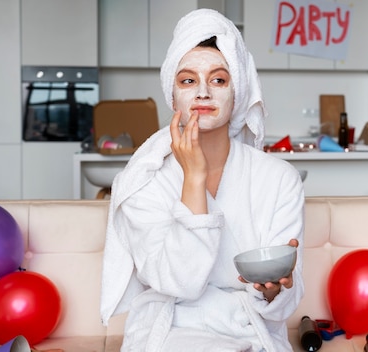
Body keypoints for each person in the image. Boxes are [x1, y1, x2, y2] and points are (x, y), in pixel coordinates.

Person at [99, 8, 305, 352]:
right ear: (172, 94)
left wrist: (273, 291)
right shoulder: (142, 181)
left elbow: (287, 294)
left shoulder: (278, 178)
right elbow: (179, 282)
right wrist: (193, 178)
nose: (203, 93)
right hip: (168, 329)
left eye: (219, 79)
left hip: (248, 328)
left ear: (236, 93)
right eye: (188, 80)